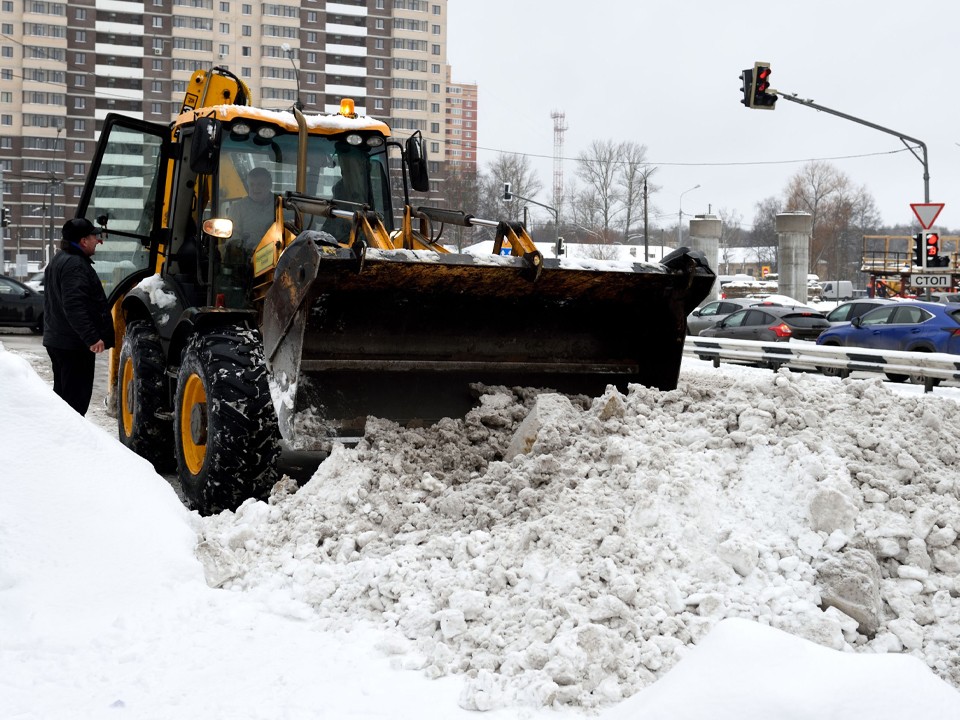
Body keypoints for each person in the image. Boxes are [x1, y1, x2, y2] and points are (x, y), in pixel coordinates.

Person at [42, 217, 116, 415]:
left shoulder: (59, 259)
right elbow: (74, 306)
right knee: (74, 405)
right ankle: (69, 442)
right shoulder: (75, 265)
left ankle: (60, 439)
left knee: (62, 399)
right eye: (94, 237)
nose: (98, 241)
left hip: (60, 340)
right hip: (73, 345)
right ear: (83, 241)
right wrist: (91, 337)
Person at [228, 166, 276, 255]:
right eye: (252, 184)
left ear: (269, 185)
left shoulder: (281, 206)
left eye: (260, 185)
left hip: (276, 254)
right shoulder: (237, 208)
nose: (255, 189)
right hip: (246, 258)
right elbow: (233, 236)